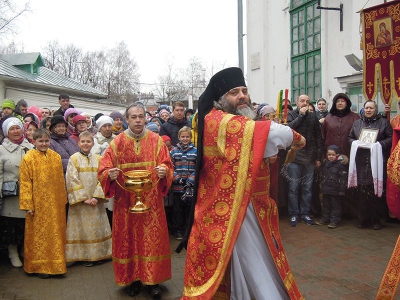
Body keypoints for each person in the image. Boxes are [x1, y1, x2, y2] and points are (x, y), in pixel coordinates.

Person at [179, 67, 304, 299]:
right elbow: (274, 134)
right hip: (233, 209)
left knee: (255, 260)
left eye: (244, 90)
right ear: (220, 100)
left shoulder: (239, 118)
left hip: (247, 204)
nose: (242, 96)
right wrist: (298, 139)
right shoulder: (219, 120)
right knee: (254, 262)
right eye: (234, 92)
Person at [98, 103, 173, 298]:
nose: (138, 120)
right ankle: (134, 279)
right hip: (126, 203)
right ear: (127, 120)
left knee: (152, 241)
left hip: (152, 204)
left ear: (145, 118)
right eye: (134, 117)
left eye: (141, 116)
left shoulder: (156, 141)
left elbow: (167, 164)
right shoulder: (117, 143)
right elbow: (103, 168)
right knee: (129, 241)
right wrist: (109, 174)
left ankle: (153, 281)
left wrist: (165, 171)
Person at [19, 129, 67, 278]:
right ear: (34, 141)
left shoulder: (56, 157)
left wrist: (62, 199)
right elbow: (25, 183)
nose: (44, 144)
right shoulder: (28, 158)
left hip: (55, 203)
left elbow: (60, 180)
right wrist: (28, 204)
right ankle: (40, 267)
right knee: (39, 236)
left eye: (46, 141)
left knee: (55, 234)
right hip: (37, 204)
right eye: (41, 141)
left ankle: (56, 265)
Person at [65, 131, 112, 267]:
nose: (86, 144)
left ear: (92, 143)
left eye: (88, 141)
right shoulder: (73, 159)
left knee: (98, 227)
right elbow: (71, 179)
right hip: (81, 203)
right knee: (82, 228)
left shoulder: (98, 158)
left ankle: (100, 254)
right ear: (78, 143)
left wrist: (97, 196)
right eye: (83, 141)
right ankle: (84, 256)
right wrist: (84, 198)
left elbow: (102, 177)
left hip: (95, 200)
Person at [348, 100, 393, 230]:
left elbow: (390, 138)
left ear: (375, 110)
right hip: (361, 161)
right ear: (364, 109)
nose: (368, 110)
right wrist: (356, 143)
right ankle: (363, 218)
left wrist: (378, 145)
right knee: (362, 192)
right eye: (366, 108)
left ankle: (376, 219)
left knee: (375, 192)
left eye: (371, 108)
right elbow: (350, 138)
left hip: (377, 161)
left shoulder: (383, 122)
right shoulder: (357, 123)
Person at [0, 117, 34, 268]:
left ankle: (23, 250)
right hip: (11, 195)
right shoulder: (2, 149)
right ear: (6, 132)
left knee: (26, 224)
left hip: (29, 193)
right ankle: (12, 252)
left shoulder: (31, 147)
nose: (15, 131)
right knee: (12, 225)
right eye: (11, 129)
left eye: (17, 128)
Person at [286, 94, 323, 226]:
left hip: (310, 158)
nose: (305, 103)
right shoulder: (291, 114)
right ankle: (294, 214)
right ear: (297, 102)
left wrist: (319, 157)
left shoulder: (313, 116)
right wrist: (301, 116)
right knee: (293, 188)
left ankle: (305, 214)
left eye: (307, 101)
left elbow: (318, 137)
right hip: (295, 157)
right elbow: (289, 129)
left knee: (307, 188)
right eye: (302, 101)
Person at [170, 126, 197, 240]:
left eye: (187, 136)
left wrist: (191, 179)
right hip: (177, 186)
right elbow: (170, 166)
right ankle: (177, 230)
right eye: (183, 137)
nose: (185, 139)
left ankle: (188, 230)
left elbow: (198, 167)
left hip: (190, 188)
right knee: (177, 209)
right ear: (179, 137)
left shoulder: (195, 151)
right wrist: (177, 178)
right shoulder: (174, 151)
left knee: (189, 209)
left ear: (190, 137)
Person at [91, 116, 116, 228]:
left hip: (116, 177)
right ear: (100, 128)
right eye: (104, 126)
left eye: (109, 126)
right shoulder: (95, 141)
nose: (107, 128)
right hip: (101, 177)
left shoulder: (117, 139)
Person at [315, 145, 348, 229]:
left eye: (333, 155)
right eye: (329, 155)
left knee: (335, 206)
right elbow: (322, 175)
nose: (331, 156)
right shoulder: (325, 163)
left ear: (337, 155)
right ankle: (325, 219)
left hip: (336, 190)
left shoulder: (341, 165)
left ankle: (334, 221)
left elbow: (343, 178)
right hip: (326, 189)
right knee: (326, 205)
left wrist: (342, 190)